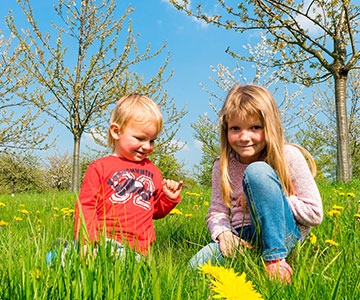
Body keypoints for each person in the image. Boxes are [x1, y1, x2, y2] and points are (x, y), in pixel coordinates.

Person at [189, 85, 323, 283]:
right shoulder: (221, 164)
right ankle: (252, 258)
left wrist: (268, 195)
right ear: (226, 129)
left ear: (270, 127)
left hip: (283, 234)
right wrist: (224, 234)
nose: (244, 137)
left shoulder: (289, 156)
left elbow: (314, 214)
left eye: (255, 128)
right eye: (236, 128)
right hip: (242, 237)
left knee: (257, 172)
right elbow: (216, 212)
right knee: (196, 266)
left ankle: (275, 259)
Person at [74, 93, 183, 258]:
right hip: (103, 242)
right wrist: (87, 242)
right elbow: (85, 207)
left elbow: (156, 212)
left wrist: (168, 198)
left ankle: (66, 253)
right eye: (140, 138)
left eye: (152, 140)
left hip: (139, 250)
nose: (147, 146)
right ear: (116, 132)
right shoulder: (99, 167)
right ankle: (67, 253)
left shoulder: (153, 171)